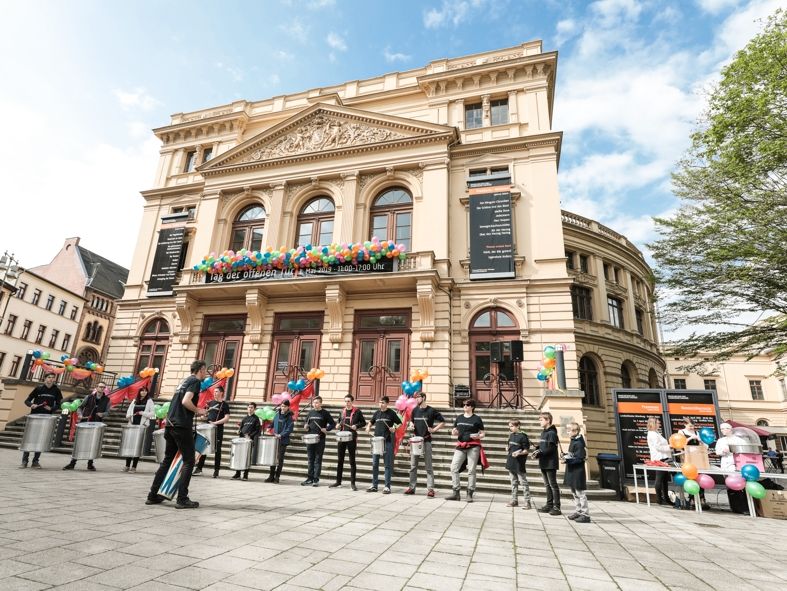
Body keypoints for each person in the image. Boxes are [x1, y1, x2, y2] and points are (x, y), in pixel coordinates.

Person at [146, 360, 207, 509]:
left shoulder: (183, 381)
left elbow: (180, 401)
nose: (206, 373)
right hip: (181, 425)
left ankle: (153, 495)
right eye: (205, 370)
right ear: (201, 369)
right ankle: (182, 498)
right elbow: (186, 401)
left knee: (167, 461)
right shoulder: (195, 381)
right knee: (189, 461)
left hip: (170, 424)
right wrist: (198, 410)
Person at [405, 392, 444, 497]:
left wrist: (434, 429)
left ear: (423, 398)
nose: (416, 399)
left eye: (418, 398)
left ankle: (430, 489)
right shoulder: (415, 410)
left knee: (428, 467)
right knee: (413, 466)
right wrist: (411, 425)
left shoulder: (431, 410)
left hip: (426, 441)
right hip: (415, 441)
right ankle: (411, 488)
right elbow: (411, 422)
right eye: (416, 398)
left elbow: (442, 421)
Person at [63, 382, 110, 471]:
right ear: (96, 387)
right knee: (79, 443)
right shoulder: (89, 397)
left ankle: (90, 464)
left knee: (93, 444)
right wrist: (80, 415)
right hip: (85, 422)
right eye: (100, 387)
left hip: (97, 424)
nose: (102, 389)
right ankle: (72, 463)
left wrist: (103, 414)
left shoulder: (107, 400)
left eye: (103, 387)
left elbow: (108, 412)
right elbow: (80, 407)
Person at [20, 372, 63, 468]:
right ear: (45, 379)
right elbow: (27, 401)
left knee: (40, 439)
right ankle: (24, 461)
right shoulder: (38, 388)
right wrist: (32, 405)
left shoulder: (56, 390)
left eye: (52, 377)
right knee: (29, 438)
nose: (51, 379)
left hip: (46, 417)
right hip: (34, 416)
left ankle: (35, 461)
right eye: (49, 377)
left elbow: (59, 404)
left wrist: (52, 409)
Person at [446, 399, 485, 503]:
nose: (465, 406)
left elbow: (483, 434)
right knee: (453, 467)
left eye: (467, 405)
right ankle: (456, 492)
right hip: (461, 446)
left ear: (472, 407)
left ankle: (469, 493)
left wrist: (477, 436)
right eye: (463, 405)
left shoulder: (477, 419)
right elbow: (455, 432)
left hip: (473, 446)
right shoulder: (459, 418)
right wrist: (454, 432)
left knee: (471, 470)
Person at [330, 394, 366, 490]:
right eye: (345, 401)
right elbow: (338, 422)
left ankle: (353, 483)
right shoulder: (342, 411)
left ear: (352, 401)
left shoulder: (357, 412)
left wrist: (356, 426)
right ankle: (338, 481)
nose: (347, 403)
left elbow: (363, 422)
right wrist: (337, 425)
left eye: (349, 401)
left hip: (351, 438)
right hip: (342, 438)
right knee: (340, 460)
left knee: (352, 461)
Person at [366, 395, 402, 494]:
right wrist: (368, 427)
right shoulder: (377, 413)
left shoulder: (391, 413)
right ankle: (374, 485)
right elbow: (371, 422)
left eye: (382, 403)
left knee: (387, 465)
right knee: (374, 464)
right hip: (377, 441)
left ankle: (387, 486)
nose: (380, 404)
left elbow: (399, 423)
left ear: (387, 404)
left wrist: (394, 428)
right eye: (380, 402)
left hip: (388, 441)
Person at [193, 386, 230, 478]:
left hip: (218, 429)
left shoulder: (224, 405)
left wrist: (215, 423)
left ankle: (216, 470)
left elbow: (226, 418)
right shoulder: (210, 403)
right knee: (203, 448)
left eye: (216, 391)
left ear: (221, 393)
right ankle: (199, 468)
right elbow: (205, 415)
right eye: (214, 391)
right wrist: (203, 417)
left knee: (217, 450)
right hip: (207, 428)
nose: (214, 393)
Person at [301, 396, 335, 487]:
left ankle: (316, 479)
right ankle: (309, 478)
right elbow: (306, 423)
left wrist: (327, 429)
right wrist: (305, 426)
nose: (314, 404)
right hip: (310, 439)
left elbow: (333, 424)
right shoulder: (311, 413)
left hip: (320, 439)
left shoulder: (325, 413)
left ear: (320, 403)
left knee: (318, 459)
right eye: (314, 403)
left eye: (316, 402)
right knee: (310, 459)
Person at [533, 412, 561, 515]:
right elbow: (544, 447)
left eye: (541, 420)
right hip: (543, 462)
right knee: (547, 484)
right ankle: (549, 505)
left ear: (548, 420)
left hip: (550, 462)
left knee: (553, 485)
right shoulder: (544, 432)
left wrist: (541, 452)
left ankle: (557, 507)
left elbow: (551, 448)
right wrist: (537, 448)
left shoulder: (552, 433)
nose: (539, 422)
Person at [123, 386, 155, 472]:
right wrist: (129, 417)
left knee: (137, 446)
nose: (143, 392)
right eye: (142, 391)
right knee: (130, 446)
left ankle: (134, 467)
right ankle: (127, 465)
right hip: (132, 425)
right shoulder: (134, 400)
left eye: (145, 391)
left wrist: (142, 413)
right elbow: (129, 411)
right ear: (139, 392)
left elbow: (152, 413)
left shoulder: (149, 401)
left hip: (141, 426)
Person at [679, 418, 709, 509]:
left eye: (693, 426)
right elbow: (680, 445)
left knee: (700, 477)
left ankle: (702, 498)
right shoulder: (681, 432)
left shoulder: (697, 433)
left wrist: (699, 440)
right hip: (688, 457)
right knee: (691, 477)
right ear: (685, 425)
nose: (692, 427)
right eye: (690, 426)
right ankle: (691, 499)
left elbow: (704, 445)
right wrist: (690, 438)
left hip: (697, 457)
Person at [563, 422, 590, 523]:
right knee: (574, 493)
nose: (568, 432)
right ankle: (578, 511)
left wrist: (567, 460)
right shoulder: (573, 441)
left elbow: (579, 459)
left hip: (578, 472)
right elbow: (572, 455)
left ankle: (585, 514)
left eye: (569, 430)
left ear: (575, 431)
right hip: (572, 471)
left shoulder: (579, 443)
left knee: (581, 493)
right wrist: (565, 455)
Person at [505, 419, 532, 509]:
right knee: (513, 483)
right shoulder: (511, 435)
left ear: (518, 426)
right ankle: (514, 500)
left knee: (523, 483)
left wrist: (519, 453)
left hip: (519, 463)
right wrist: (507, 448)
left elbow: (526, 450)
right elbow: (509, 445)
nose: (510, 428)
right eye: (509, 426)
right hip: (510, 462)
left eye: (512, 426)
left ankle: (527, 502)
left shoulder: (523, 436)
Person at [266, 399, 294, 483]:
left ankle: (277, 477)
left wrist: (281, 435)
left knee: (279, 459)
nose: (283, 408)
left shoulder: (289, 417)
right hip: (274, 439)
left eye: (285, 406)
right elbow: (273, 423)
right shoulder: (277, 414)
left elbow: (289, 429)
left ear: (288, 407)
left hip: (283, 440)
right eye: (282, 406)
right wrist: (269, 427)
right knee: (272, 458)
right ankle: (271, 476)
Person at [646, 417, 672, 506]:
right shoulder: (652, 434)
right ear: (653, 424)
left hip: (663, 457)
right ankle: (659, 498)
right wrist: (670, 447)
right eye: (658, 423)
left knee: (664, 479)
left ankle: (665, 498)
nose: (659, 424)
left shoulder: (656, 433)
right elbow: (658, 447)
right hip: (659, 458)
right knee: (660, 478)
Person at [233, 403, 261, 481]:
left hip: (249, 441)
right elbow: (241, 428)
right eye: (249, 407)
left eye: (252, 407)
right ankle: (237, 474)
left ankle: (245, 475)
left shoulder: (256, 419)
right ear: (247, 408)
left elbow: (257, 430)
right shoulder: (244, 418)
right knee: (239, 457)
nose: (250, 409)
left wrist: (250, 435)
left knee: (246, 458)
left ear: (254, 409)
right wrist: (238, 431)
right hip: (241, 440)